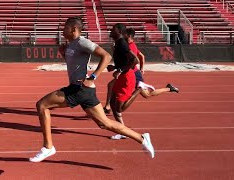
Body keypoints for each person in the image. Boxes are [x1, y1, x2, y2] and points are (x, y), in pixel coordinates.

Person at [29, 17, 155, 162]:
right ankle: (142, 138)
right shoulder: (70, 44)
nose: (62, 31)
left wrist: (93, 77)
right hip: (85, 91)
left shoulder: (82, 42)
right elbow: (74, 65)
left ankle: (48, 147)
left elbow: (106, 56)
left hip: (79, 89)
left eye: (65, 28)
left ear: (74, 29)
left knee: (42, 105)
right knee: (105, 123)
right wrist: (64, 54)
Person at [105, 26, 179, 140]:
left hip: (132, 74)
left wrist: (123, 69)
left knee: (145, 95)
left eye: (125, 36)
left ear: (128, 36)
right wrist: (117, 67)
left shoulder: (128, 46)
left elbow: (135, 60)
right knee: (112, 89)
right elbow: (139, 57)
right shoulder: (127, 45)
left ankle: (162, 88)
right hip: (127, 73)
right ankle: (120, 125)